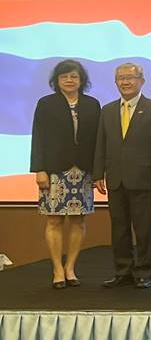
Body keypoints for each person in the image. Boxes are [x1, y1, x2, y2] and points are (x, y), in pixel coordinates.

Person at [31, 60, 101, 289]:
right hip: (53, 171)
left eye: (74, 76)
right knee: (54, 219)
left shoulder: (93, 104)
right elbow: (38, 138)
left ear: (81, 80)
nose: (69, 80)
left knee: (78, 220)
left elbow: (98, 141)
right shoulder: (46, 104)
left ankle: (70, 267)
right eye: (64, 77)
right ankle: (57, 269)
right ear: (56, 80)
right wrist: (39, 168)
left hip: (83, 170)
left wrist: (99, 171)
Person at [94, 62, 151, 289]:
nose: (125, 82)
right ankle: (122, 270)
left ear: (141, 81)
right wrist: (97, 174)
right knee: (119, 228)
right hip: (115, 179)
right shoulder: (108, 110)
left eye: (130, 78)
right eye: (120, 78)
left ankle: (144, 271)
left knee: (144, 229)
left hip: (144, 178)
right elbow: (100, 145)